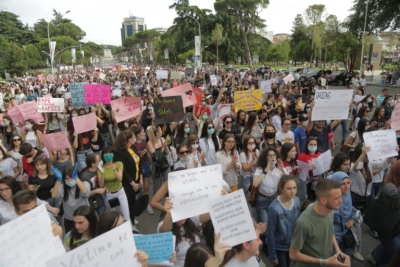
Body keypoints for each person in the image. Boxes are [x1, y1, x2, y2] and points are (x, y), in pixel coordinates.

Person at [289, 179, 351, 267]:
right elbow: (293, 254)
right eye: (337, 198)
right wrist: (325, 262)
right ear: (323, 200)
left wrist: (338, 251)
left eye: (340, 196)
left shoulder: (330, 210)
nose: (341, 201)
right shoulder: (304, 223)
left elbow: (329, 231)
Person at [158, 197, 213, 267]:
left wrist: (222, 198)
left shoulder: (191, 220)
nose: (182, 217)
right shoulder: (165, 223)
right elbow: (165, 228)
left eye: (184, 212)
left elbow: (213, 211)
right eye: (178, 213)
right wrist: (169, 213)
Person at [328, 172, 364, 261]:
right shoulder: (331, 200)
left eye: (348, 183)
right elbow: (326, 222)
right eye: (342, 184)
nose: (347, 186)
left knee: (346, 258)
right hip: (334, 237)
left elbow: (352, 210)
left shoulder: (347, 195)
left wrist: (352, 220)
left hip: (348, 234)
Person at [370, 160, 400, 266]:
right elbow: (395, 195)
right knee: (393, 253)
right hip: (387, 224)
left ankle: (375, 257)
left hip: (395, 224)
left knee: (387, 251)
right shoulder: (389, 185)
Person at [267, 175, 300, 267]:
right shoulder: (274, 208)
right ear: (281, 189)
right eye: (289, 188)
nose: (293, 191)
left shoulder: (296, 201)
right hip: (280, 247)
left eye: (294, 188)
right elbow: (270, 233)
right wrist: (273, 255)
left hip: (292, 245)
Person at [113, 130, 142, 228]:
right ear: (129, 139)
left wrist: (140, 178)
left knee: (134, 203)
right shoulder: (119, 153)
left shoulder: (133, 147)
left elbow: (138, 162)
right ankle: (129, 225)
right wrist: (133, 183)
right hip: (128, 184)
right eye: (133, 136)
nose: (135, 138)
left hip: (137, 180)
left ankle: (132, 220)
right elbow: (123, 171)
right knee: (128, 205)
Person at [253, 147, 288, 224]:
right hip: (263, 199)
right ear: (265, 158)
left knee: (276, 223)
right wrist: (266, 170)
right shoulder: (260, 169)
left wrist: (283, 169)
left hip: (275, 198)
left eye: (274, 155)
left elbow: (290, 181)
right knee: (265, 226)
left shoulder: (278, 169)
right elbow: (255, 184)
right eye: (269, 156)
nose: (272, 157)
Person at [52, 165, 91, 233]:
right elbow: (54, 195)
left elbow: (85, 192)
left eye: (71, 178)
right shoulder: (63, 187)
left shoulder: (84, 184)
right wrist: (58, 180)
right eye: (66, 178)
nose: (69, 180)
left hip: (85, 217)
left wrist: (76, 178)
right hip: (70, 219)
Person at [132, 125, 153, 215]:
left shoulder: (145, 141)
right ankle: (138, 204)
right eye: (142, 132)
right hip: (137, 167)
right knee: (138, 186)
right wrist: (140, 155)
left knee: (146, 186)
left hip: (145, 164)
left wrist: (147, 152)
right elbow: (133, 158)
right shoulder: (133, 145)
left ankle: (147, 204)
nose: (144, 133)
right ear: (137, 134)